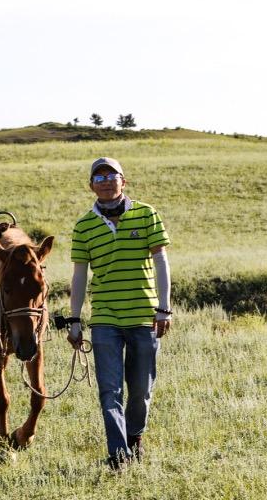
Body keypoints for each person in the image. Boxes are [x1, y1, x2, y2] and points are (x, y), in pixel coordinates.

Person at [68, 157, 172, 469]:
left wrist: (164, 307)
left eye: (111, 175)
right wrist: (74, 319)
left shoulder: (146, 214)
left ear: (123, 181)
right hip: (105, 320)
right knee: (109, 390)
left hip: (144, 316)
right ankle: (118, 454)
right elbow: (79, 276)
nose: (106, 181)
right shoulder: (84, 226)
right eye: (98, 177)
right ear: (91, 186)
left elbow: (161, 261)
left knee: (140, 390)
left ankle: (134, 435)